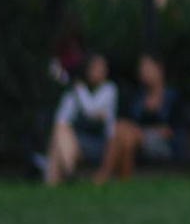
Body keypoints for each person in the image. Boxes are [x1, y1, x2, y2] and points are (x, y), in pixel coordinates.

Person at [40, 54, 119, 187]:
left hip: (100, 144)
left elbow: (91, 111)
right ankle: (57, 180)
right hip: (76, 142)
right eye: (95, 67)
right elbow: (61, 118)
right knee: (59, 132)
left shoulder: (109, 90)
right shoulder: (74, 92)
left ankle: (63, 175)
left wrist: (80, 90)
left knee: (58, 137)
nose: (99, 71)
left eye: (102, 67)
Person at [105, 53, 181, 181]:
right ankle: (123, 183)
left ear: (158, 68)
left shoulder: (172, 97)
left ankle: (105, 176)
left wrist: (141, 132)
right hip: (137, 141)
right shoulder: (138, 98)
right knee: (126, 136)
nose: (142, 71)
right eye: (141, 68)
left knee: (124, 130)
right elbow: (131, 124)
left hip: (165, 146)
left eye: (146, 67)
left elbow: (170, 132)